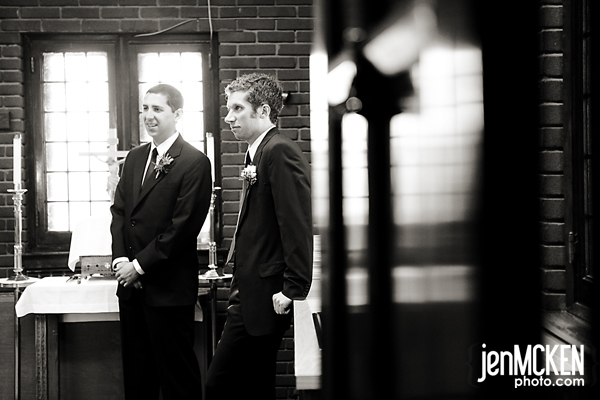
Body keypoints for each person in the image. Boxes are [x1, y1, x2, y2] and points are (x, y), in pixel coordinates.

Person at [204, 73, 313, 399]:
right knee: (256, 385)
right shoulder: (258, 152)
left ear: (263, 111)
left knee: (219, 384)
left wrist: (293, 288)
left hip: (267, 294)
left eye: (237, 108)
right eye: (228, 108)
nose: (229, 117)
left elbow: (296, 224)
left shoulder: (278, 151)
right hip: (250, 289)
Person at [110, 84, 212, 400]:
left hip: (168, 289)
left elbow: (182, 228)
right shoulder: (135, 158)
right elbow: (120, 212)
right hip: (132, 291)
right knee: (137, 379)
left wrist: (139, 266)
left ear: (177, 114)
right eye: (145, 108)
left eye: (157, 109)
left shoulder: (194, 162)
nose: (148, 116)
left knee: (177, 379)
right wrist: (122, 261)